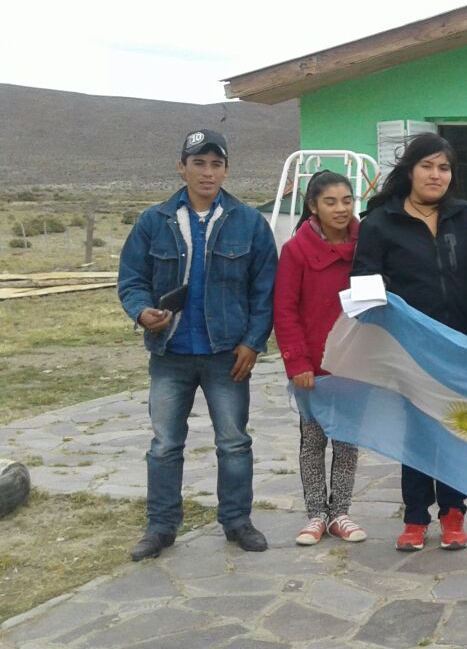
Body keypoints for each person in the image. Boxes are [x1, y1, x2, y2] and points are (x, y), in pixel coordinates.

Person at [117, 129, 277, 560]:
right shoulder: (155, 221)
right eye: (199, 163)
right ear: (181, 166)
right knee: (165, 444)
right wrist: (141, 311)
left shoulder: (249, 223)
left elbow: (264, 290)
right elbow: (132, 280)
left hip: (227, 354)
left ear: (226, 169)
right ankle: (161, 527)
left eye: (216, 164)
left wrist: (252, 343)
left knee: (233, 442)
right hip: (170, 353)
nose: (208, 172)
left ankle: (237, 521)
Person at [352, 132, 467, 553]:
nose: (436, 175)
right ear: (409, 170)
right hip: (408, 349)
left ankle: (454, 513)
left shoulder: (466, 215)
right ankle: (415, 517)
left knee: (456, 430)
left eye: (444, 168)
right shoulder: (380, 223)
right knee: (417, 434)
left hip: (462, 345)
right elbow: (364, 284)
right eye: (427, 166)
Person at [273, 171, 366, 546]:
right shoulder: (296, 250)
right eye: (331, 201)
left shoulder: (366, 245)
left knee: (347, 441)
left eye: (347, 200)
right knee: (312, 441)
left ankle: (340, 512)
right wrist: (297, 362)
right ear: (313, 206)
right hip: (312, 367)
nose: (341, 209)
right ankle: (315, 514)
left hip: (355, 362)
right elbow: (285, 310)